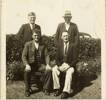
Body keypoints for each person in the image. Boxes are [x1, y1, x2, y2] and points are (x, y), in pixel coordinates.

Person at [22, 29, 52, 97]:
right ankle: (27, 89)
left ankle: (46, 88)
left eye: (38, 35)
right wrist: (26, 65)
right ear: (32, 36)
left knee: (49, 70)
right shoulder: (28, 44)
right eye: (35, 35)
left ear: (40, 36)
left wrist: (47, 64)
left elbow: (47, 55)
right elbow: (23, 56)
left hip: (40, 65)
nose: (36, 37)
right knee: (26, 71)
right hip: (31, 65)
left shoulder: (43, 45)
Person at [52, 31, 79, 99]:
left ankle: (65, 92)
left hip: (70, 66)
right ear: (61, 38)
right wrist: (59, 66)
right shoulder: (59, 46)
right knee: (54, 69)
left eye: (67, 35)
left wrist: (69, 65)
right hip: (61, 65)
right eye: (64, 36)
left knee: (69, 72)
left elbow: (76, 59)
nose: (65, 37)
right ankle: (57, 89)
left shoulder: (73, 46)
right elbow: (57, 59)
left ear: (69, 36)